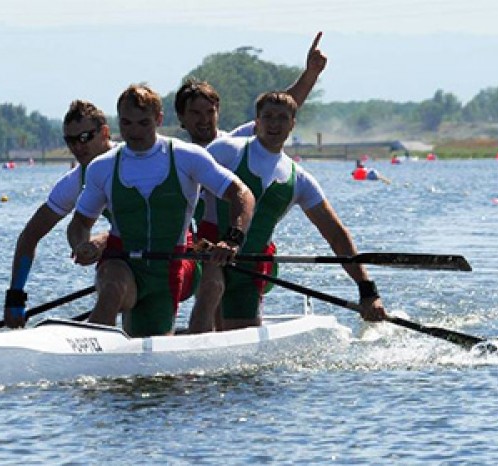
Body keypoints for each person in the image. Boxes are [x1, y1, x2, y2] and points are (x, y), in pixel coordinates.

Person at [67, 84, 256, 337]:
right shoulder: (102, 167)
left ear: (158, 119)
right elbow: (79, 223)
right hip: (122, 262)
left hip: (169, 269)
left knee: (153, 359)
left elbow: (242, 194)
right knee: (111, 286)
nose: (134, 132)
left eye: (143, 123)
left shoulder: (187, 157)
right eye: (126, 123)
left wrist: (233, 239)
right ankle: (89, 355)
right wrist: (81, 245)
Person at [195, 91, 387, 331]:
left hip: (250, 267)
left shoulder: (300, 180)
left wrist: (367, 290)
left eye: (282, 118)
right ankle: (194, 345)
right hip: (208, 253)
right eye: (268, 117)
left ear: (292, 124)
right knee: (213, 287)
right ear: (257, 121)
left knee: (241, 357)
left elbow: (336, 235)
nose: (274, 124)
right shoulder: (226, 150)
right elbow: (185, 192)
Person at [3, 100, 115, 328]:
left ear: (104, 133)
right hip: (131, 259)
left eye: (84, 137)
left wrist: (103, 241)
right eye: (70, 140)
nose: (77, 147)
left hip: (178, 251)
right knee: (109, 272)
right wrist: (15, 296)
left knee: (111, 271)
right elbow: (30, 236)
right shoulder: (75, 181)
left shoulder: (131, 159)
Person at [174, 31, 327, 147]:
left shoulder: (235, 143)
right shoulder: (175, 157)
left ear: (218, 111)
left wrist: (311, 73)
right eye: (196, 113)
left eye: (209, 112)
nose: (204, 120)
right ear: (181, 117)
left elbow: (284, 105)